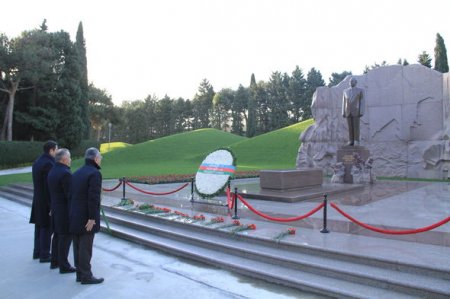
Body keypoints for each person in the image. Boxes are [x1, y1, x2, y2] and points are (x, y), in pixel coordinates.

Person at [69, 148, 104, 284]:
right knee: (85, 247)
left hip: (75, 214)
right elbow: (93, 198)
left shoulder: (77, 173)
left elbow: (71, 195)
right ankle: (86, 276)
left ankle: (80, 274)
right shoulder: (94, 173)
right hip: (86, 217)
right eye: (100, 157)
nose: (101, 160)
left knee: (77, 246)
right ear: (95, 158)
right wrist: (92, 218)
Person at [47, 148, 76, 274]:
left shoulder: (53, 171)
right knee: (65, 236)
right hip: (64, 211)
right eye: (69, 157)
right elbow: (69, 195)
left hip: (56, 208)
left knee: (57, 235)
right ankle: (64, 265)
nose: (70, 160)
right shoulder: (65, 173)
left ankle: (55, 261)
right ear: (64, 159)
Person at [29, 140, 58, 263]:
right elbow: (49, 186)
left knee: (39, 226)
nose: (57, 152)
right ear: (51, 150)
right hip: (46, 201)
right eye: (56, 150)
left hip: (38, 199)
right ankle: (45, 254)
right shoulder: (49, 164)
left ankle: (37, 251)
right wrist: (51, 204)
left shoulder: (37, 162)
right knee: (47, 226)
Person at [342, 77, 365, 146]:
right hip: (347, 111)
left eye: (352, 81)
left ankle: (356, 140)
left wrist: (361, 111)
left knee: (356, 126)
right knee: (349, 127)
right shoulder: (345, 91)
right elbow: (344, 102)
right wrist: (343, 112)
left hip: (356, 110)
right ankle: (350, 140)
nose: (351, 82)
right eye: (350, 81)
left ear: (356, 82)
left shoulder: (360, 90)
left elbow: (362, 101)